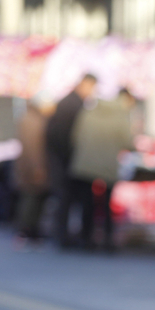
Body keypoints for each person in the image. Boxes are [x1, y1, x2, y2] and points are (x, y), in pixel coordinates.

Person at [69, 88, 136, 251]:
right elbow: (127, 142)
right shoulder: (120, 117)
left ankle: (86, 238)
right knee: (106, 205)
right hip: (108, 164)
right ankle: (107, 239)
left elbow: (75, 137)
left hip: (86, 163)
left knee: (87, 203)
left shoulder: (88, 113)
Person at [45, 74, 97, 247]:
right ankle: (64, 237)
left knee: (67, 200)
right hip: (66, 160)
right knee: (66, 199)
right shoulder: (72, 104)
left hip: (66, 159)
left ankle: (65, 236)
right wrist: (69, 156)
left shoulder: (71, 103)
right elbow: (61, 136)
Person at [14, 92, 56, 244]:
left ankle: (30, 231)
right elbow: (33, 148)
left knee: (33, 199)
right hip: (33, 169)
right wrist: (37, 168)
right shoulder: (33, 120)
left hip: (30, 167)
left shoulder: (31, 118)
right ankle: (27, 231)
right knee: (32, 199)